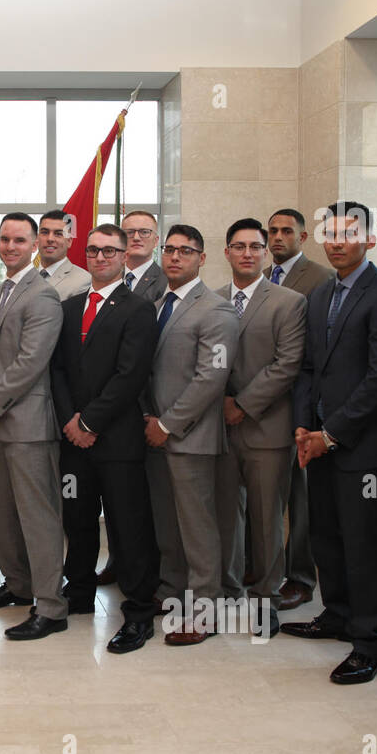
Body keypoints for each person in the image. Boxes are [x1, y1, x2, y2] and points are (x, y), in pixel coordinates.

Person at [284, 201, 377, 684]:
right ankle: (336, 615)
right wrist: (304, 427)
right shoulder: (320, 295)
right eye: (330, 234)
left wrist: (331, 433)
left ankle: (369, 643)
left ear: (369, 239)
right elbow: (307, 369)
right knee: (325, 536)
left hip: (363, 446)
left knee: (364, 545)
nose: (337, 242)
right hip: (316, 441)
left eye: (348, 234)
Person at [50, 224, 159, 652]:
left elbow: (130, 375)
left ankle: (139, 613)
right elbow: (58, 370)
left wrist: (90, 423)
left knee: (127, 527)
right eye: (93, 250)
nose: (100, 257)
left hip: (117, 441)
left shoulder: (139, 309)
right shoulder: (69, 307)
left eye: (109, 251)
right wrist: (70, 421)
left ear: (124, 256)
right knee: (77, 519)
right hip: (73, 442)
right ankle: (78, 594)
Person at [0, 213, 68, 640]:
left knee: (38, 517)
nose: (10, 247)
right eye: (5, 239)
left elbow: (32, 361)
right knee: (4, 514)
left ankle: (51, 606)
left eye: (19, 240)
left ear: (35, 245)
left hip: (27, 425)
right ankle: (18, 585)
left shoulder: (43, 296)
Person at [143, 223, 239, 645]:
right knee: (167, 525)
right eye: (169, 249)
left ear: (202, 258)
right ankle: (172, 590)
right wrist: (149, 419)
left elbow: (211, 378)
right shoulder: (154, 304)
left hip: (191, 437)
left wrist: (167, 424)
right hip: (153, 434)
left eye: (185, 251)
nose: (175, 257)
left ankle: (204, 610)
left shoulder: (216, 309)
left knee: (198, 529)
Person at [213, 218, 307, 638]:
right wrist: (220, 403)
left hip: (267, 428)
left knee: (268, 520)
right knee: (225, 517)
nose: (247, 253)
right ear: (227, 252)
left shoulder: (289, 302)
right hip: (217, 427)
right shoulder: (213, 300)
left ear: (266, 252)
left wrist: (244, 405)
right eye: (239, 246)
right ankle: (228, 592)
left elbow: (287, 364)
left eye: (255, 246)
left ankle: (267, 599)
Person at [265, 207, 335, 611]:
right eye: (272, 231)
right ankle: (264, 569)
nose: (278, 237)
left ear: (303, 237)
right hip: (264, 407)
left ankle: (302, 577)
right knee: (268, 496)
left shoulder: (320, 278)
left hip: (302, 403)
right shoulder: (261, 275)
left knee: (301, 496)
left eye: (286, 231)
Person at [97, 209, 165, 587]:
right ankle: (118, 560)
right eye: (130, 232)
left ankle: (149, 574)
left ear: (156, 239)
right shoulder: (103, 283)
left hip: (149, 407)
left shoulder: (166, 281)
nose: (137, 237)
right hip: (110, 410)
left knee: (146, 501)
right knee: (116, 498)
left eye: (144, 232)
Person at [36, 209, 89, 299]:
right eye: (45, 232)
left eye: (58, 234)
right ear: (37, 239)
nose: (50, 239)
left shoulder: (83, 280)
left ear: (69, 241)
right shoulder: (25, 276)